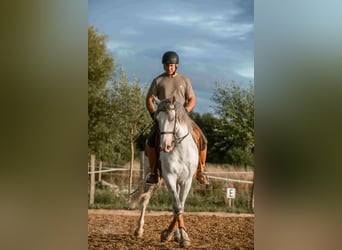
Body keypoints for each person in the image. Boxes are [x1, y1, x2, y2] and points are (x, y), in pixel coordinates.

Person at [145, 51, 209, 185]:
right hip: (165, 119)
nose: (169, 68)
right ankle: (153, 173)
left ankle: (200, 171)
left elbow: (192, 99)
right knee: (151, 140)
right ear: (163, 66)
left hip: (182, 117)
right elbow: (149, 99)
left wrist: (185, 111)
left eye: (172, 65)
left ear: (176, 66)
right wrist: (153, 114)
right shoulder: (158, 81)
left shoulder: (184, 80)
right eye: (167, 65)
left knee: (202, 138)